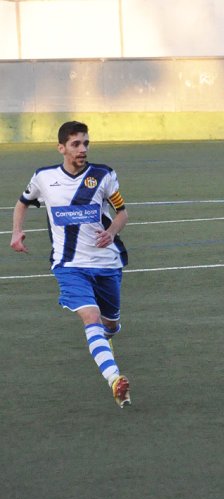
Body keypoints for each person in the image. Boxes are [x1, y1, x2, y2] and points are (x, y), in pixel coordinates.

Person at [9, 121, 132, 408]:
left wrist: (112, 231)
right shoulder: (44, 177)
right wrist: (16, 231)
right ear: (61, 147)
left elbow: (122, 212)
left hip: (106, 263)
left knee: (110, 323)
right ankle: (115, 379)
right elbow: (22, 202)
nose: (83, 149)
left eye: (86, 143)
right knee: (91, 317)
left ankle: (107, 336)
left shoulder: (103, 175)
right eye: (76, 144)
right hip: (68, 265)